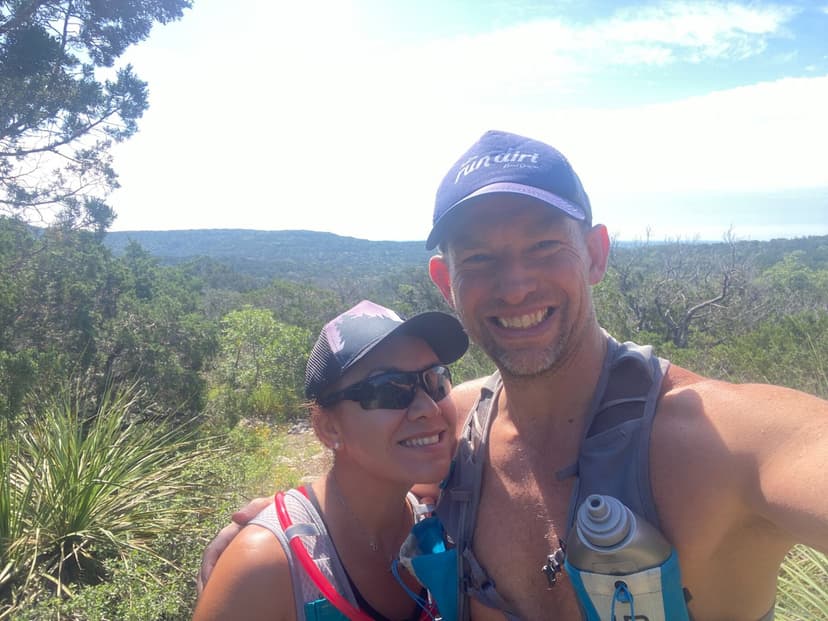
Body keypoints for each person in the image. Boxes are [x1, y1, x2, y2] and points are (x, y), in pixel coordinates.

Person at [199, 131, 828, 621]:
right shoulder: (456, 431)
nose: (515, 283)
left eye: (545, 246)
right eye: (479, 258)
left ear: (597, 254)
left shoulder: (730, 438)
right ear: (448, 284)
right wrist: (278, 534)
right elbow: (363, 457)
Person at [193, 299, 468, 621]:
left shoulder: (442, 520)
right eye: (389, 390)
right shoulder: (267, 566)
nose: (429, 408)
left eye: (434, 381)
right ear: (328, 427)